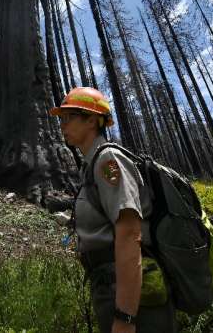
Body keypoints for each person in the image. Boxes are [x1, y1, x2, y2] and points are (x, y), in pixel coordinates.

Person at [50, 87, 176, 333]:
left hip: (131, 294)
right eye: (60, 119)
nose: (62, 124)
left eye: (69, 117)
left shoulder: (109, 160)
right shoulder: (90, 166)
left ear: (91, 120)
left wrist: (125, 317)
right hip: (110, 287)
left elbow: (130, 234)